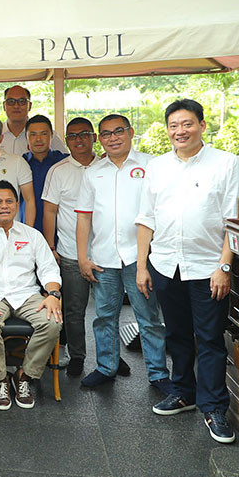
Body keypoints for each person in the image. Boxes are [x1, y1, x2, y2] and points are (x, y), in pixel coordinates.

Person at [136, 98, 239, 444]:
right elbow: (146, 218)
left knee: (210, 339)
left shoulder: (226, 163)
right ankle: (184, 391)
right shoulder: (157, 166)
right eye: (173, 125)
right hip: (166, 264)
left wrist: (224, 267)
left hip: (207, 268)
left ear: (201, 125)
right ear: (167, 129)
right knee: (177, 335)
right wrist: (142, 265)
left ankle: (214, 407)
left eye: (187, 124)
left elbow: (234, 221)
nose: (180, 131)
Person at [76, 114, 171, 393]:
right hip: (103, 257)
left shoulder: (151, 166)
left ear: (130, 133)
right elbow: (84, 218)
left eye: (118, 131)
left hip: (140, 258)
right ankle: (106, 367)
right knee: (104, 316)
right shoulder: (94, 172)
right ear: (100, 139)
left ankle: (158, 374)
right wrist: (83, 257)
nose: (113, 138)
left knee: (149, 317)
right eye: (106, 134)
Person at [0, 180, 62, 411]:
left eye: (9, 201)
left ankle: (25, 376)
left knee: (53, 322)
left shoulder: (32, 235)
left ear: (17, 205)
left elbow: (48, 269)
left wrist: (53, 293)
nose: (3, 206)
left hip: (27, 294)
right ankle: (0, 380)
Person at [41, 117, 97, 378]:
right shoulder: (59, 170)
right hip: (70, 253)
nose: (78, 140)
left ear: (94, 137)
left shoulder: (107, 167)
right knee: (74, 310)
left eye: (84, 134)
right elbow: (50, 211)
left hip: (106, 253)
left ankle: (111, 358)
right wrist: (51, 246)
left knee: (109, 312)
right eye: (72, 136)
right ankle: (77, 355)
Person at [21, 115, 67, 232]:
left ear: (52, 136)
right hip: (28, 229)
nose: (38, 139)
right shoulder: (20, 163)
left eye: (44, 134)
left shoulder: (64, 162)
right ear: (26, 138)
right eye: (33, 134)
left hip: (60, 232)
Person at [0, 86, 67, 156]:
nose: (16, 106)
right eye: (11, 102)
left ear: (30, 106)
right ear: (4, 106)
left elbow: (65, 162)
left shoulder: (48, 136)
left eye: (22, 101)